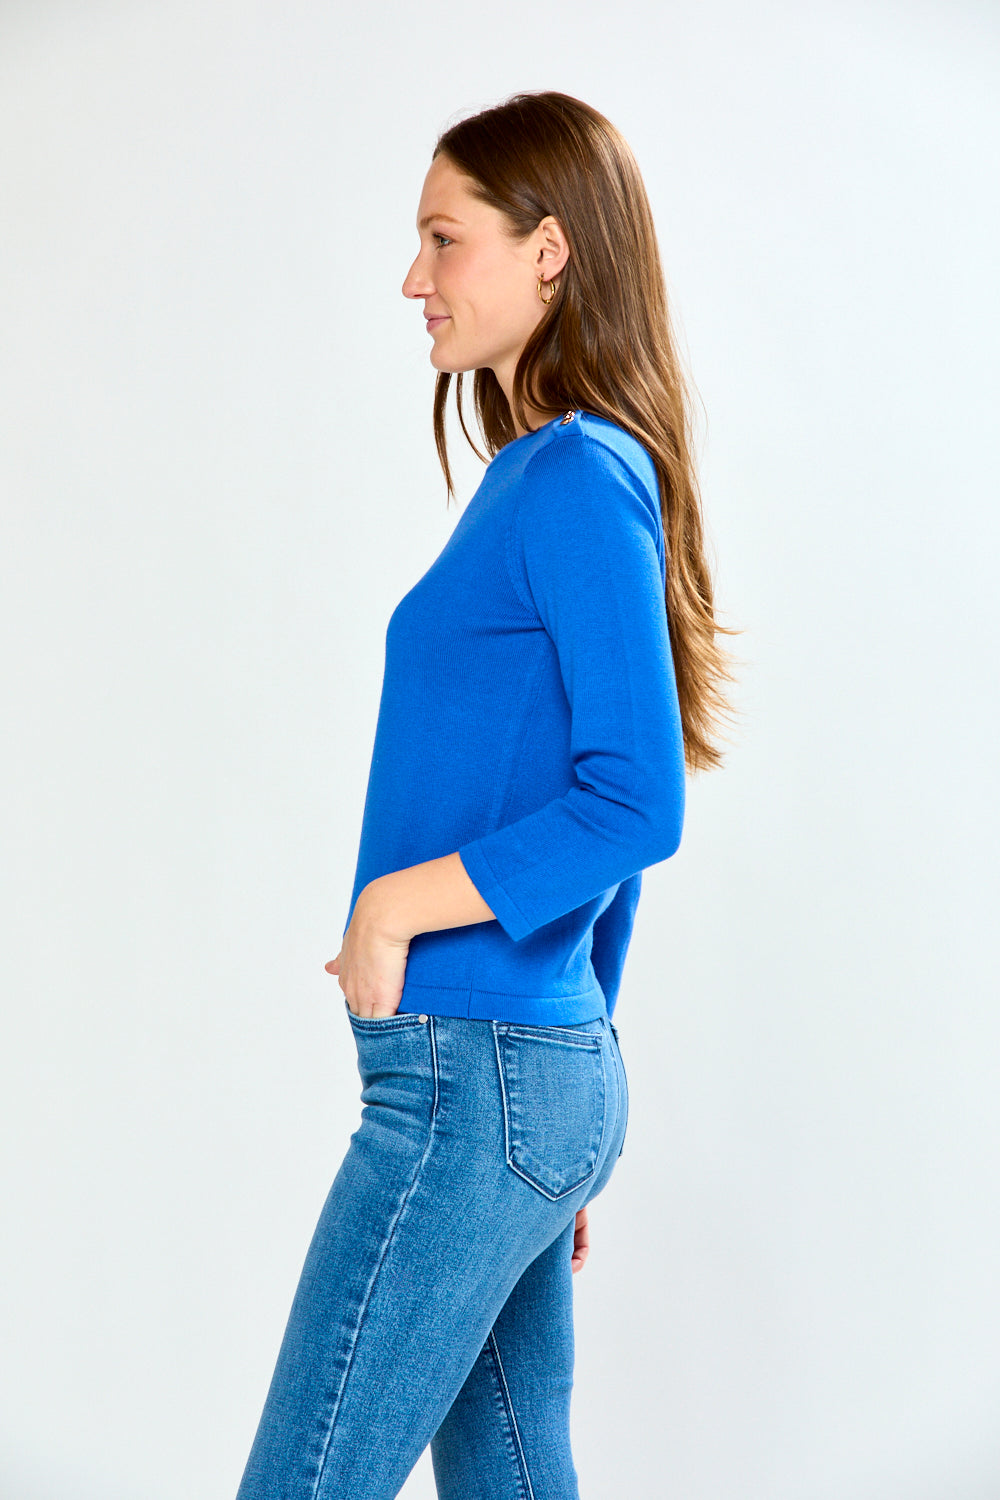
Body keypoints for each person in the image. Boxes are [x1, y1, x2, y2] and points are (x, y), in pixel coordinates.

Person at [235, 89, 734, 1500]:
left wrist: (398, 907)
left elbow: (635, 803)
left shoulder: (574, 478)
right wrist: (572, 1084)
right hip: (518, 1076)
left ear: (550, 252)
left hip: (476, 1079)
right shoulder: (543, 479)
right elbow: (605, 817)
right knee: (513, 1477)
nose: (414, 278)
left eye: (443, 239)